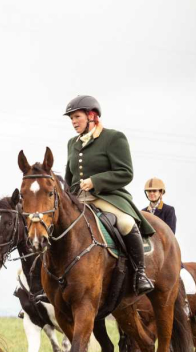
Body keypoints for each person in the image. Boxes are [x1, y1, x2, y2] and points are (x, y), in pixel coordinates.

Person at [63, 95, 155, 295]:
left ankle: (140, 273)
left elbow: (125, 173)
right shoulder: (72, 143)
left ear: (92, 116)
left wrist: (95, 181)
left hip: (107, 197)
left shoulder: (113, 138)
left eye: (76, 117)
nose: (73, 121)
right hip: (79, 199)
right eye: (71, 118)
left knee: (125, 223)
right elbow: (69, 178)